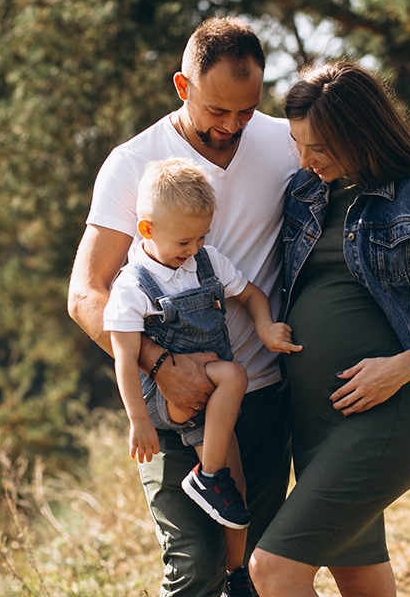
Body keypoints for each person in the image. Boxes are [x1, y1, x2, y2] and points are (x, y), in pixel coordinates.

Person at [248, 60, 410, 597]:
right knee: (361, 581)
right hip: (313, 423)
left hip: (385, 417)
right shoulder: (305, 193)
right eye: (297, 144)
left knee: (272, 569)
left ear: (360, 133)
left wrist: (398, 370)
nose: (305, 160)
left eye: (319, 147)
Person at [67, 17, 299, 597]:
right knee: (195, 570)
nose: (233, 126)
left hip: (264, 398)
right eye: (218, 111)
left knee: (256, 571)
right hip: (170, 409)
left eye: (246, 111)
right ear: (182, 86)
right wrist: (160, 366)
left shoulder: (284, 142)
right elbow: (86, 294)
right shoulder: (133, 164)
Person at [105, 158, 301, 569]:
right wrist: (138, 421)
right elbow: (124, 357)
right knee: (234, 374)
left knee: (239, 497)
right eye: (183, 242)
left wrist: (265, 327)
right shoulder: (132, 285)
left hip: (211, 403)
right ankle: (207, 475)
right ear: (147, 230)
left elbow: (251, 295)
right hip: (167, 398)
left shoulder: (206, 261)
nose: (192, 250)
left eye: (200, 238)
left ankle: (235, 576)